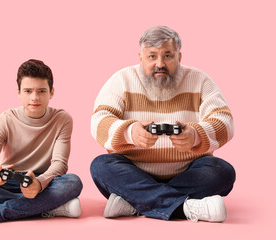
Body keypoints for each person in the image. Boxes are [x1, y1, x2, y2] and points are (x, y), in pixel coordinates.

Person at [90, 26, 236, 223]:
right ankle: (186, 208)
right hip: (134, 172)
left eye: (168, 56)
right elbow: (98, 120)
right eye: (152, 57)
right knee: (101, 166)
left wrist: (196, 135)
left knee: (222, 171)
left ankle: (136, 203)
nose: (160, 64)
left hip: (188, 172)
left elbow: (225, 121)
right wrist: (130, 132)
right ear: (140, 57)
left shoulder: (200, 80)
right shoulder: (121, 80)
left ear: (179, 57)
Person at [0, 59, 83, 226]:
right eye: (28, 91)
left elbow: (60, 165)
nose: (35, 97)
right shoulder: (5, 120)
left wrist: (40, 184)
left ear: (52, 92)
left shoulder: (62, 119)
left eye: (42, 91)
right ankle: (47, 207)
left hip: (43, 182)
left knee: (73, 182)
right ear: (19, 92)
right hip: (8, 183)